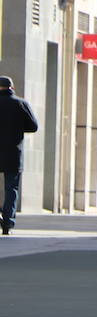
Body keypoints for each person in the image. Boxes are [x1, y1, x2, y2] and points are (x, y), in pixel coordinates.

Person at [0, 76, 40, 235]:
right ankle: (8, 223)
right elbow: (33, 126)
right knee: (11, 188)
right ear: (12, 88)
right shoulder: (20, 104)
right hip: (13, 153)